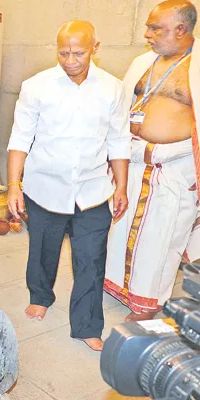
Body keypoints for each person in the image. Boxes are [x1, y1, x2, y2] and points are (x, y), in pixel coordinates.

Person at [6, 21, 130, 351]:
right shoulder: (37, 86)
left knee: (90, 259)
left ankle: (87, 325)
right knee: (43, 251)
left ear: (95, 47)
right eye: (63, 52)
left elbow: (119, 140)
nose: (70, 59)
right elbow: (20, 137)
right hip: (45, 187)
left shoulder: (113, 88)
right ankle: (41, 296)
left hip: (93, 189)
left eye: (79, 52)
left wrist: (121, 186)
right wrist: (13, 186)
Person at [104, 0, 200, 322]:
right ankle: (118, 285)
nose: (147, 34)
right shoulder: (143, 62)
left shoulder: (197, 66)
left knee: (162, 240)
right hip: (132, 163)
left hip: (173, 169)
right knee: (120, 230)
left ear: (181, 30)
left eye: (155, 28)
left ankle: (149, 304)